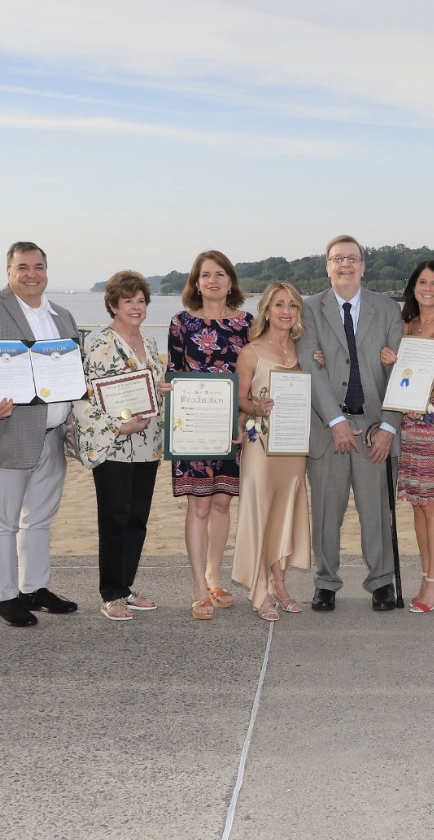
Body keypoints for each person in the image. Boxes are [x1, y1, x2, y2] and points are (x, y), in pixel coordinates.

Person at [0, 242, 78, 628]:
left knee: (40, 519)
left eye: (38, 266)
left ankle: (35, 588)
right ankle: (4, 596)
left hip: (53, 432)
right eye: (23, 266)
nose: (32, 274)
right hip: (7, 431)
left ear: (47, 269)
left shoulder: (62, 316)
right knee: (3, 520)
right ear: (9, 271)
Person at [297, 236, 404, 612]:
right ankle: (326, 582)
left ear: (363, 265)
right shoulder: (308, 309)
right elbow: (309, 367)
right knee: (327, 512)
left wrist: (390, 427)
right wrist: (335, 419)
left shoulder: (388, 309)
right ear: (327, 266)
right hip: (328, 429)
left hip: (377, 427)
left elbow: (401, 373)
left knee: (376, 510)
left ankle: (381, 582)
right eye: (337, 259)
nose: (345, 264)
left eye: (352, 258)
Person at [71, 270, 169, 621]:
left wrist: (162, 389)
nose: (135, 306)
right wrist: (118, 425)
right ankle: (111, 593)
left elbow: (150, 386)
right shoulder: (101, 344)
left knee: (137, 519)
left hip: (148, 444)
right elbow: (84, 398)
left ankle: (126, 587)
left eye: (141, 300)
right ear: (112, 305)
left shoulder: (153, 344)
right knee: (115, 518)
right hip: (115, 445)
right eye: (127, 300)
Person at [168, 250, 250, 620]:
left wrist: (245, 420)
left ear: (230, 281)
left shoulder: (248, 324)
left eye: (220, 274)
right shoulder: (181, 323)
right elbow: (172, 374)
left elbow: (255, 377)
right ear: (196, 284)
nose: (213, 280)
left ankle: (215, 576)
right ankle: (199, 587)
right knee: (199, 505)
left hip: (233, 429)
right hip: (192, 430)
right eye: (205, 275)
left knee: (222, 503)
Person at [382, 260, 434, 613]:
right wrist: (389, 359)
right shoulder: (405, 325)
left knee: (432, 502)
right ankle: (431, 576)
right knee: (418, 501)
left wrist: (427, 394)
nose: (428, 288)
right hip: (410, 422)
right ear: (412, 287)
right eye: (422, 282)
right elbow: (402, 375)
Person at [231, 282, 314, 620]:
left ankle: (280, 584)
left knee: (285, 512)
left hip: (293, 447)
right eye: (279, 305)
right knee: (261, 512)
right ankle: (259, 590)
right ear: (266, 310)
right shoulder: (250, 351)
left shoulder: (304, 349)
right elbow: (239, 397)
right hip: (261, 446)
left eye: (292, 305)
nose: (285, 311)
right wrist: (256, 408)